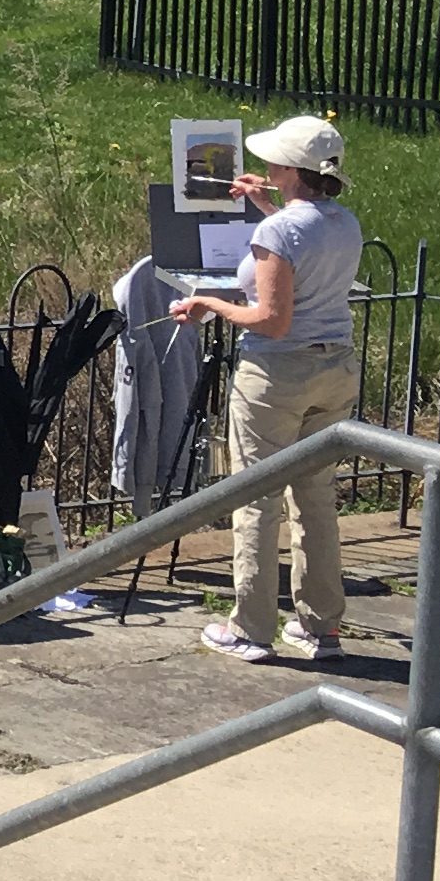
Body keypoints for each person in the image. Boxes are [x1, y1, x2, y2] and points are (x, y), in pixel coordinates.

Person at [176, 115, 364, 664]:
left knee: (256, 496)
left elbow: (271, 318)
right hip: (335, 369)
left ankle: (251, 628)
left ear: (289, 169)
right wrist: (268, 205)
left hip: (277, 374)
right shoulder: (343, 222)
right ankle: (321, 627)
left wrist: (208, 303)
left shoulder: (277, 232)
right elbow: (305, 238)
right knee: (315, 497)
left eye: (274, 160)